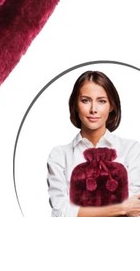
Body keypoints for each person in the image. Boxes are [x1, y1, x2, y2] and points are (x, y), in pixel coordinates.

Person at [47, 70, 140, 217]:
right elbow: (60, 212)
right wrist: (121, 208)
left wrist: (79, 213)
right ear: (75, 105)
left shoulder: (132, 150)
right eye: (85, 100)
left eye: (101, 101)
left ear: (111, 106)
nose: (93, 109)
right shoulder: (60, 155)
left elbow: (135, 209)